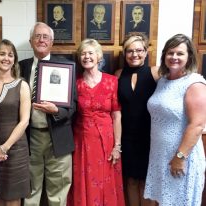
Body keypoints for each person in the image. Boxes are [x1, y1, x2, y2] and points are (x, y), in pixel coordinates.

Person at [144, 34, 206, 205]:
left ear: (189, 57)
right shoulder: (163, 81)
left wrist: (180, 157)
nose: (174, 57)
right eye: (170, 53)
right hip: (160, 155)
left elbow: (197, 125)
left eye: (180, 53)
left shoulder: (194, 83)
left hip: (181, 157)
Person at [19, 22, 76, 206]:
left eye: (45, 37)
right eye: (37, 36)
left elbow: (74, 105)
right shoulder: (20, 68)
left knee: (58, 191)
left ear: (51, 42)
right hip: (30, 136)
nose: (41, 40)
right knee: (30, 189)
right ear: (30, 41)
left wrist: (57, 111)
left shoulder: (66, 67)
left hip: (58, 136)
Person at [67, 38, 125, 206]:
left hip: (107, 141)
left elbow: (117, 115)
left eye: (90, 53)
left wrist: (117, 146)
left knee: (105, 181)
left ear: (99, 56)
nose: (86, 57)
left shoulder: (111, 81)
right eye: (83, 53)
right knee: (84, 181)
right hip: (82, 141)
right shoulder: (75, 83)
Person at [115, 33, 159, 206]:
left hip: (150, 138)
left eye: (139, 50)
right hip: (127, 138)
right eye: (130, 51)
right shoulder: (118, 74)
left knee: (147, 183)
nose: (134, 54)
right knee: (131, 181)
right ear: (125, 53)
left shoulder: (156, 73)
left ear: (146, 52)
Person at [0, 39, 31, 206]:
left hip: (15, 150)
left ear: (14, 60)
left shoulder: (22, 85)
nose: (6, 58)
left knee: (13, 197)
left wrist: (4, 147)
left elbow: (24, 121)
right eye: (2, 54)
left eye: (10, 55)